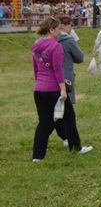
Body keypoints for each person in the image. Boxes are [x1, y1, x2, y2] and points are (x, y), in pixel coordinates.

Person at [31, 17, 67, 161]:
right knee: (50, 121)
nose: (60, 31)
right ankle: (39, 154)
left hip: (39, 89)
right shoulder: (55, 46)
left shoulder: (37, 45)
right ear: (51, 29)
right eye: (58, 28)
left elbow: (35, 68)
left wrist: (38, 82)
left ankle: (38, 154)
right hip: (52, 89)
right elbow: (58, 69)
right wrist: (63, 89)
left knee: (44, 121)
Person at [55, 16, 92, 154]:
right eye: (70, 25)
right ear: (63, 26)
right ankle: (72, 143)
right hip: (65, 79)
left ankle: (62, 137)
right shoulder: (67, 40)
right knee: (66, 112)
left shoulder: (45, 41)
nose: (72, 28)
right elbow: (80, 57)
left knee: (54, 112)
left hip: (47, 81)